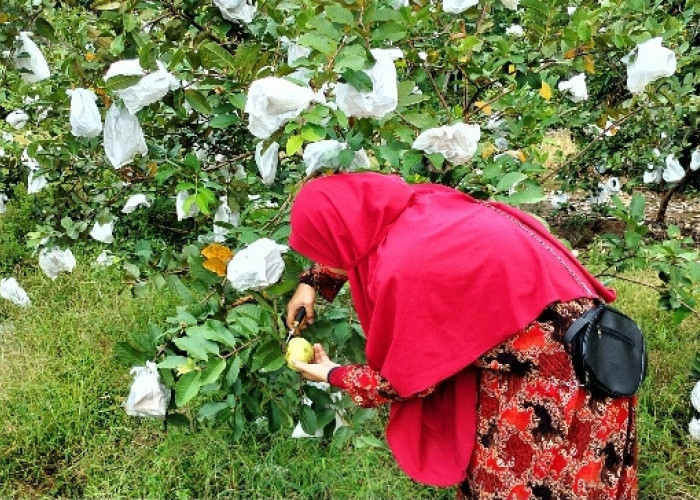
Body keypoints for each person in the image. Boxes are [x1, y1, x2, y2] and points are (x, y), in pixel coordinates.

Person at [285, 172, 638, 499]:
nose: (324, 257)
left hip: (554, 382)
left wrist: (332, 373)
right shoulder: (424, 204)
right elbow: (354, 239)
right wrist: (313, 282)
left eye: (322, 248)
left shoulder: (407, 268)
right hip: (596, 344)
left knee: (514, 484)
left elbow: (404, 381)